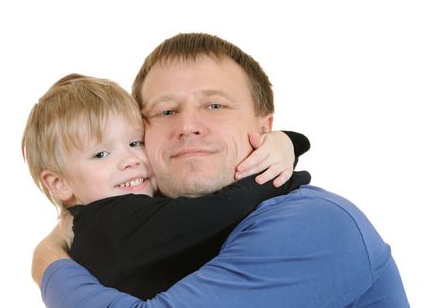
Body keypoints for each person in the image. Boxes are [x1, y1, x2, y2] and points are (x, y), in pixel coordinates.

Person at [32, 33, 409, 307]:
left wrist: (50, 263)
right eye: (166, 111)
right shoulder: (137, 220)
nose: (188, 126)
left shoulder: (317, 224)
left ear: (264, 129)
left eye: (215, 106)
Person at [22, 73, 311, 300]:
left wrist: (278, 143)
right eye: (101, 154)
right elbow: (221, 210)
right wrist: (282, 164)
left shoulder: (110, 218)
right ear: (58, 183)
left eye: (135, 142)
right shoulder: (111, 222)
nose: (130, 160)